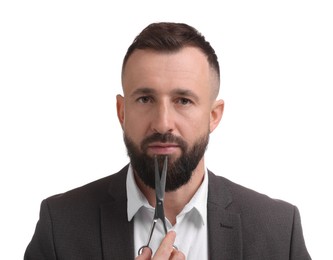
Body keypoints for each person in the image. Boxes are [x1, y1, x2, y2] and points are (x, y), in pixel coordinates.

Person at [24, 22, 311, 260]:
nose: (162, 123)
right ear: (122, 112)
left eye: (183, 101)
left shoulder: (278, 230)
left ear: (213, 115)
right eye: (145, 99)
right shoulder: (60, 226)